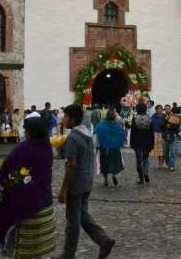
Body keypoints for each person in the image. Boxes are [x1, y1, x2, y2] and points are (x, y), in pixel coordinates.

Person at [0, 116, 55, 259]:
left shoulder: (23, 149)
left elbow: (9, 173)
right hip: (44, 204)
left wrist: (1, 192)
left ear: (30, 131)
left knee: (21, 250)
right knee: (37, 252)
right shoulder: (46, 146)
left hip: (27, 208)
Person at [56, 105, 115, 259]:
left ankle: (68, 253)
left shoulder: (73, 137)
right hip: (86, 180)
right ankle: (104, 241)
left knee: (73, 220)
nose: (63, 119)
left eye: (66, 117)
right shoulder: (87, 134)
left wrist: (63, 189)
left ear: (73, 119)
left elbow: (71, 164)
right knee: (82, 215)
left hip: (76, 183)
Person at [94, 109, 125, 187]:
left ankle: (105, 180)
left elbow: (98, 136)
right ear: (114, 117)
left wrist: (97, 147)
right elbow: (121, 135)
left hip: (104, 147)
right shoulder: (117, 125)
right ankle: (114, 175)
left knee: (104, 163)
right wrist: (119, 144)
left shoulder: (101, 125)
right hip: (115, 147)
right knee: (115, 162)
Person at [129, 102, 154, 185]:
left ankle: (141, 179)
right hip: (147, 141)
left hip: (137, 142)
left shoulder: (135, 119)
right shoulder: (149, 119)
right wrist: (152, 144)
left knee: (139, 160)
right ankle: (146, 172)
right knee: (146, 159)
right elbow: (151, 133)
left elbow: (132, 132)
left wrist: (131, 143)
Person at [163, 106, 181, 171]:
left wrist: (169, 121)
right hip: (167, 135)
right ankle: (169, 163)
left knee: (171, 151)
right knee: (166, 151)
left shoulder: (177, 117)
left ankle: (171, 165)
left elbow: (168, 125)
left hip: (173, 136)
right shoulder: (168, 116)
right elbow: (167, 125)